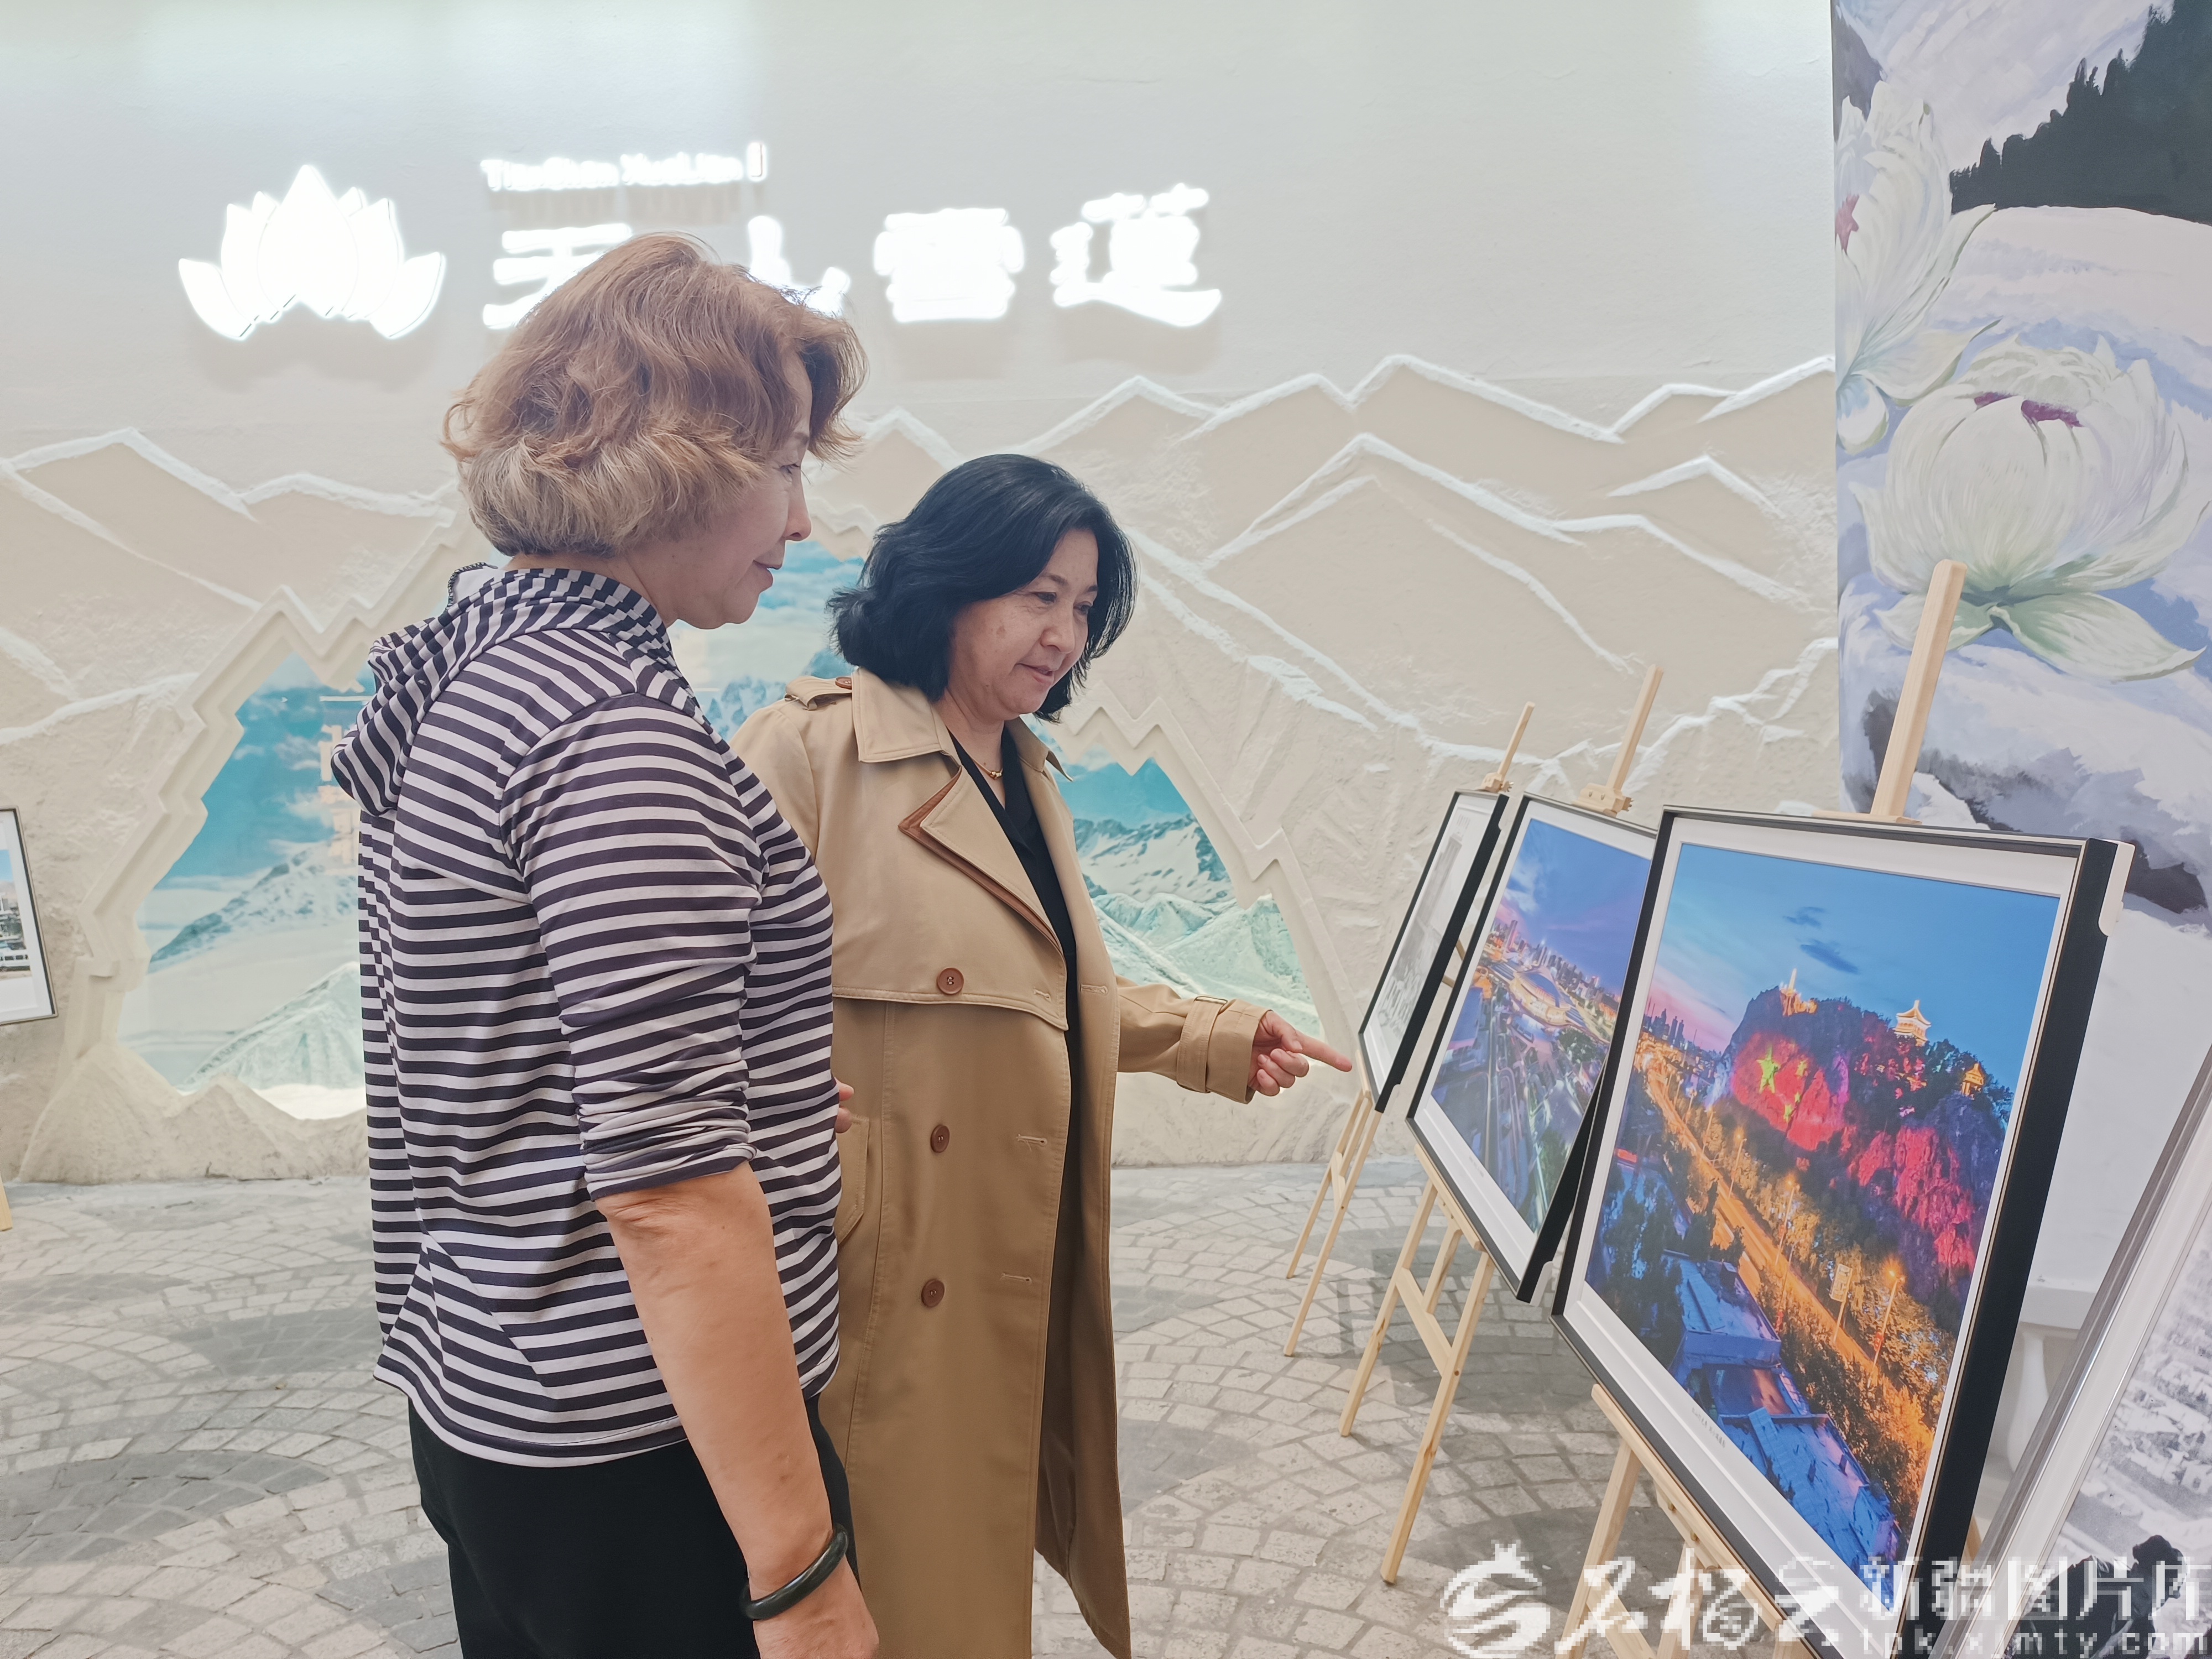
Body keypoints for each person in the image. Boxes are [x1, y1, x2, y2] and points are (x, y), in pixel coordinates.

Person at [330, 234, 877, 1659]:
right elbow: (672, 1202)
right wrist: (797, 1574)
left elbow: (508, 1046)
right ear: (677, 461)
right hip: (640, 1441)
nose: (800, 519)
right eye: (782, 466)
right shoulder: (611, 737)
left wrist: (755, 1091)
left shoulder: (473, 679)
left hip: (495, 1388)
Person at [734, 454, 1353, 1658]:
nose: (1062, 634)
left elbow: (1041, 993)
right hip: (871, 1267)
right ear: (945, 585)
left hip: (1003, 1245)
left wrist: (1211, 1036)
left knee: (966, 1572)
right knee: (878, 1588)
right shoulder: (806, 754)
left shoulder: (1022, 770)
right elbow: (696, 1013)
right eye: (1035, 596)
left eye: (1082, 607)